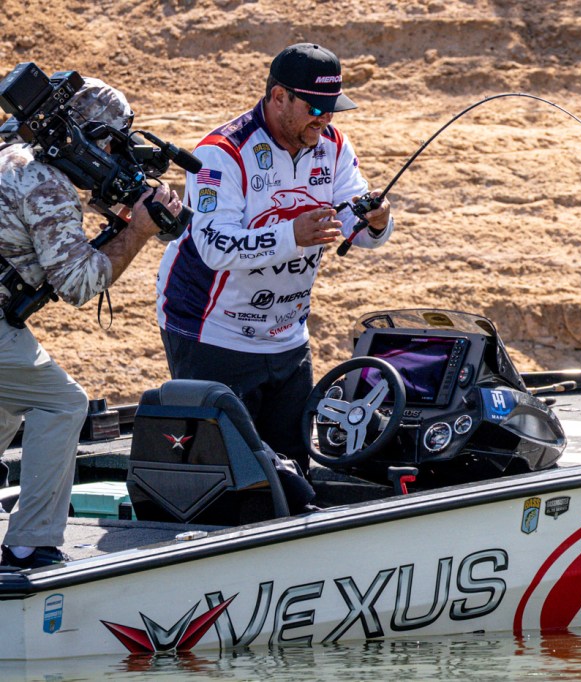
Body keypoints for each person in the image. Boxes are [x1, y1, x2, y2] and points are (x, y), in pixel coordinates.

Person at [155, 43, 393, 479]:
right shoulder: (220, 152)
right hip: (211, 330)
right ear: (279, 96)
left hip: (286, 335)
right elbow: (214, 247)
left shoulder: (334, 145)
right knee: (226, 472)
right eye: (315, 108)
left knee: (293, 468)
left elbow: (355, 226)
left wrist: (377, 220)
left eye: (332, 109)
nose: (324, 119)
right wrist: (291, 235)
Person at [0, 79, 183, 570]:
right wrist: (138, 230)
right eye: (112, 144)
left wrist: (113, 211)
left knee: (9, 400)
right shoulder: (46, 184)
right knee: (62, 403)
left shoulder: (15, 156)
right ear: (90, 137)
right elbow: (79, 283)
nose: (115, 155)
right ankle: (30, 546)